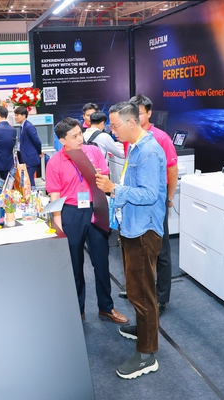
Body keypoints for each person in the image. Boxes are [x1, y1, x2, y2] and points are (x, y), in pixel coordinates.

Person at [96, 101, 166, 379]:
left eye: (115, 126)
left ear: (131, 123)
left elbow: (149, 194)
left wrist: (114, 189)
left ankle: (147, 355)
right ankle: (144, 328)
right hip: (133, 226)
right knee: (137, 288)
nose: (112, 131)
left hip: (143, 230)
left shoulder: (148, 152)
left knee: (142, 292)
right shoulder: (136, 147)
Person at [45, 117, 128, 325]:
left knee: (102, 262)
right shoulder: (55, 162)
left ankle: (106, 307)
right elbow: (54, 196)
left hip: (95, 207)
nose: (80, 139)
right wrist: (58, 225)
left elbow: (105, 180)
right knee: (74, 264)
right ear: (63, 141)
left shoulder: (93, 152)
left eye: (80, 133)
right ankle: (78, 310)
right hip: (71, 213)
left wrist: (98, 176)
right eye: (74, 137)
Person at [129, 94, 178, 316]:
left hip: (156, 200)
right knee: (140, 247)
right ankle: (143, 289)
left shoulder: (160, 138)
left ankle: (161, 297)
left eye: (138, 113)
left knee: (161, 249)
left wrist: (169, 198)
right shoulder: (131, 137)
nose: (135, 117)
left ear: (149, 113)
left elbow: (172, 170)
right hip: (137, 199)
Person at [13, 106, 42, 187]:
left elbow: (37, 141)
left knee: (29, 179)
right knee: (26, 179)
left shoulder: (29, 126)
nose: (15, 117)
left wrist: (39, 152)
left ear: (24, 116)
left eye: (17, 115)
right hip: (24, 157)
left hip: (30, 158)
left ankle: (33, 193)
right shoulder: (22, 126)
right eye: (15, 115)